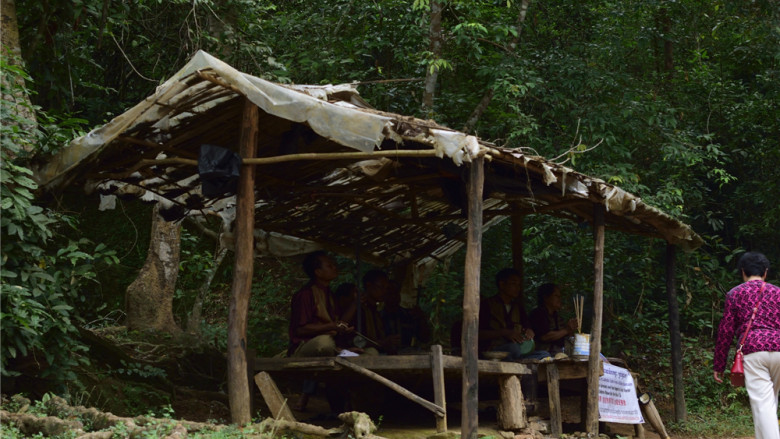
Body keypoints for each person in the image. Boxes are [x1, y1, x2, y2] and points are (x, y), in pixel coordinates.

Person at [713, 251, 780, 439]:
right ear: (765, 272)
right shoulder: (778, 293)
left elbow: (725, 331)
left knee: (763, 405)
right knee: (769, 403)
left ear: (743, 272)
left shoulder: (735, 294)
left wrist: (719, 364)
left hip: (753, 351)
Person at [288, 251, 355, 412]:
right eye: (329, 265)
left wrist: (341, 330)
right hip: (305, 347)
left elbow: (338, 324)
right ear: (318, 272)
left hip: (331, 347)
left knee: (361, 356)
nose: (334, 267)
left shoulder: (329, 294)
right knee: (324, 343)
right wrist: (331, 326)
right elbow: (300, 329)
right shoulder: (305, 295)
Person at [479, 268, 546, 360]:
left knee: (544, 354)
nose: (518, 288)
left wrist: (529, 331)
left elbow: (526, 327)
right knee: (513, 348)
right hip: (494, 351)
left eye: (519, 285)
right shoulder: (487, 305)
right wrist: (504, 333)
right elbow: (479, 334)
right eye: (514, 284)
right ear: (502, 285)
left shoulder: (518, 307)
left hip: (517, 351)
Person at [358, 269, 401, 355]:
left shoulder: (376, 312)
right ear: (369, 285)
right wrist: (383, 342)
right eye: (381, 287)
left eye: (386, 288)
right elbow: (356, 341)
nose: (385, 291)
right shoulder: (359, 310)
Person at [382, 280, 431, 352]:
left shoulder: (408, 315)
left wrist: (421, 319)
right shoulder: (379, 316)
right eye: (389, 293)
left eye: (396, 293)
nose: (393, 296)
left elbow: (425, 338)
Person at [529, 283, 578, 355]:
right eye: (556, 296)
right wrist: (566, 330)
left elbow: (566, 338)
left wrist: (571, 330)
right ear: (546, 298)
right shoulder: (537, 314)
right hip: (543, 353)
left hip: (559, 352)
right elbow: (545, 337)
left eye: (560, 296)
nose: (559, 299)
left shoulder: (557, 317)